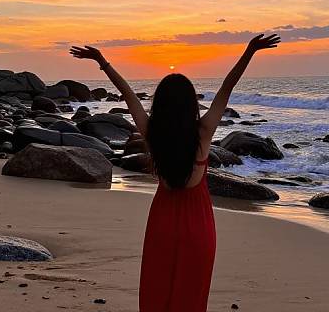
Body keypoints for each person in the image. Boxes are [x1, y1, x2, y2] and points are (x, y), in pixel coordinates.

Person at [69, 33, 281, 312]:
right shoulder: (203, 134)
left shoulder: (152, 134)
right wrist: (249, 51)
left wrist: (102, 61)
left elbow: (128, 95)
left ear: (161, 106)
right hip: (199, 230)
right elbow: (226, 89)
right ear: (191, 105)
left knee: (158, 292)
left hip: (162, 226)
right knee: (191, 297)